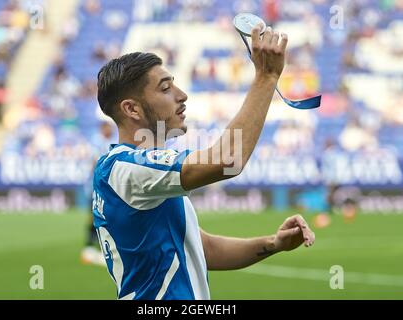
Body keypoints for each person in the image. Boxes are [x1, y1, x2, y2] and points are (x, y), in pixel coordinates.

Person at [93, 25, 315, 300]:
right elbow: (227, 159)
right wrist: (266, 76)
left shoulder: (141, 173)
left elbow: (203, 248)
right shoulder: (125, 168)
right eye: (165, 88)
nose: (181, 94)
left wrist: (274, 243)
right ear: (131, 109)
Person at [81, 121, 115, 266]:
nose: (110, 130)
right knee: (94, 216)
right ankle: (89, 244)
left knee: (104, 215)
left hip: (105, 186)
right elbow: (94, 162)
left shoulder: (111, 142)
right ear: (103, 129)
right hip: (96, 186)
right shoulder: (97, 142)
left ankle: (101, 246)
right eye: (108, 128)